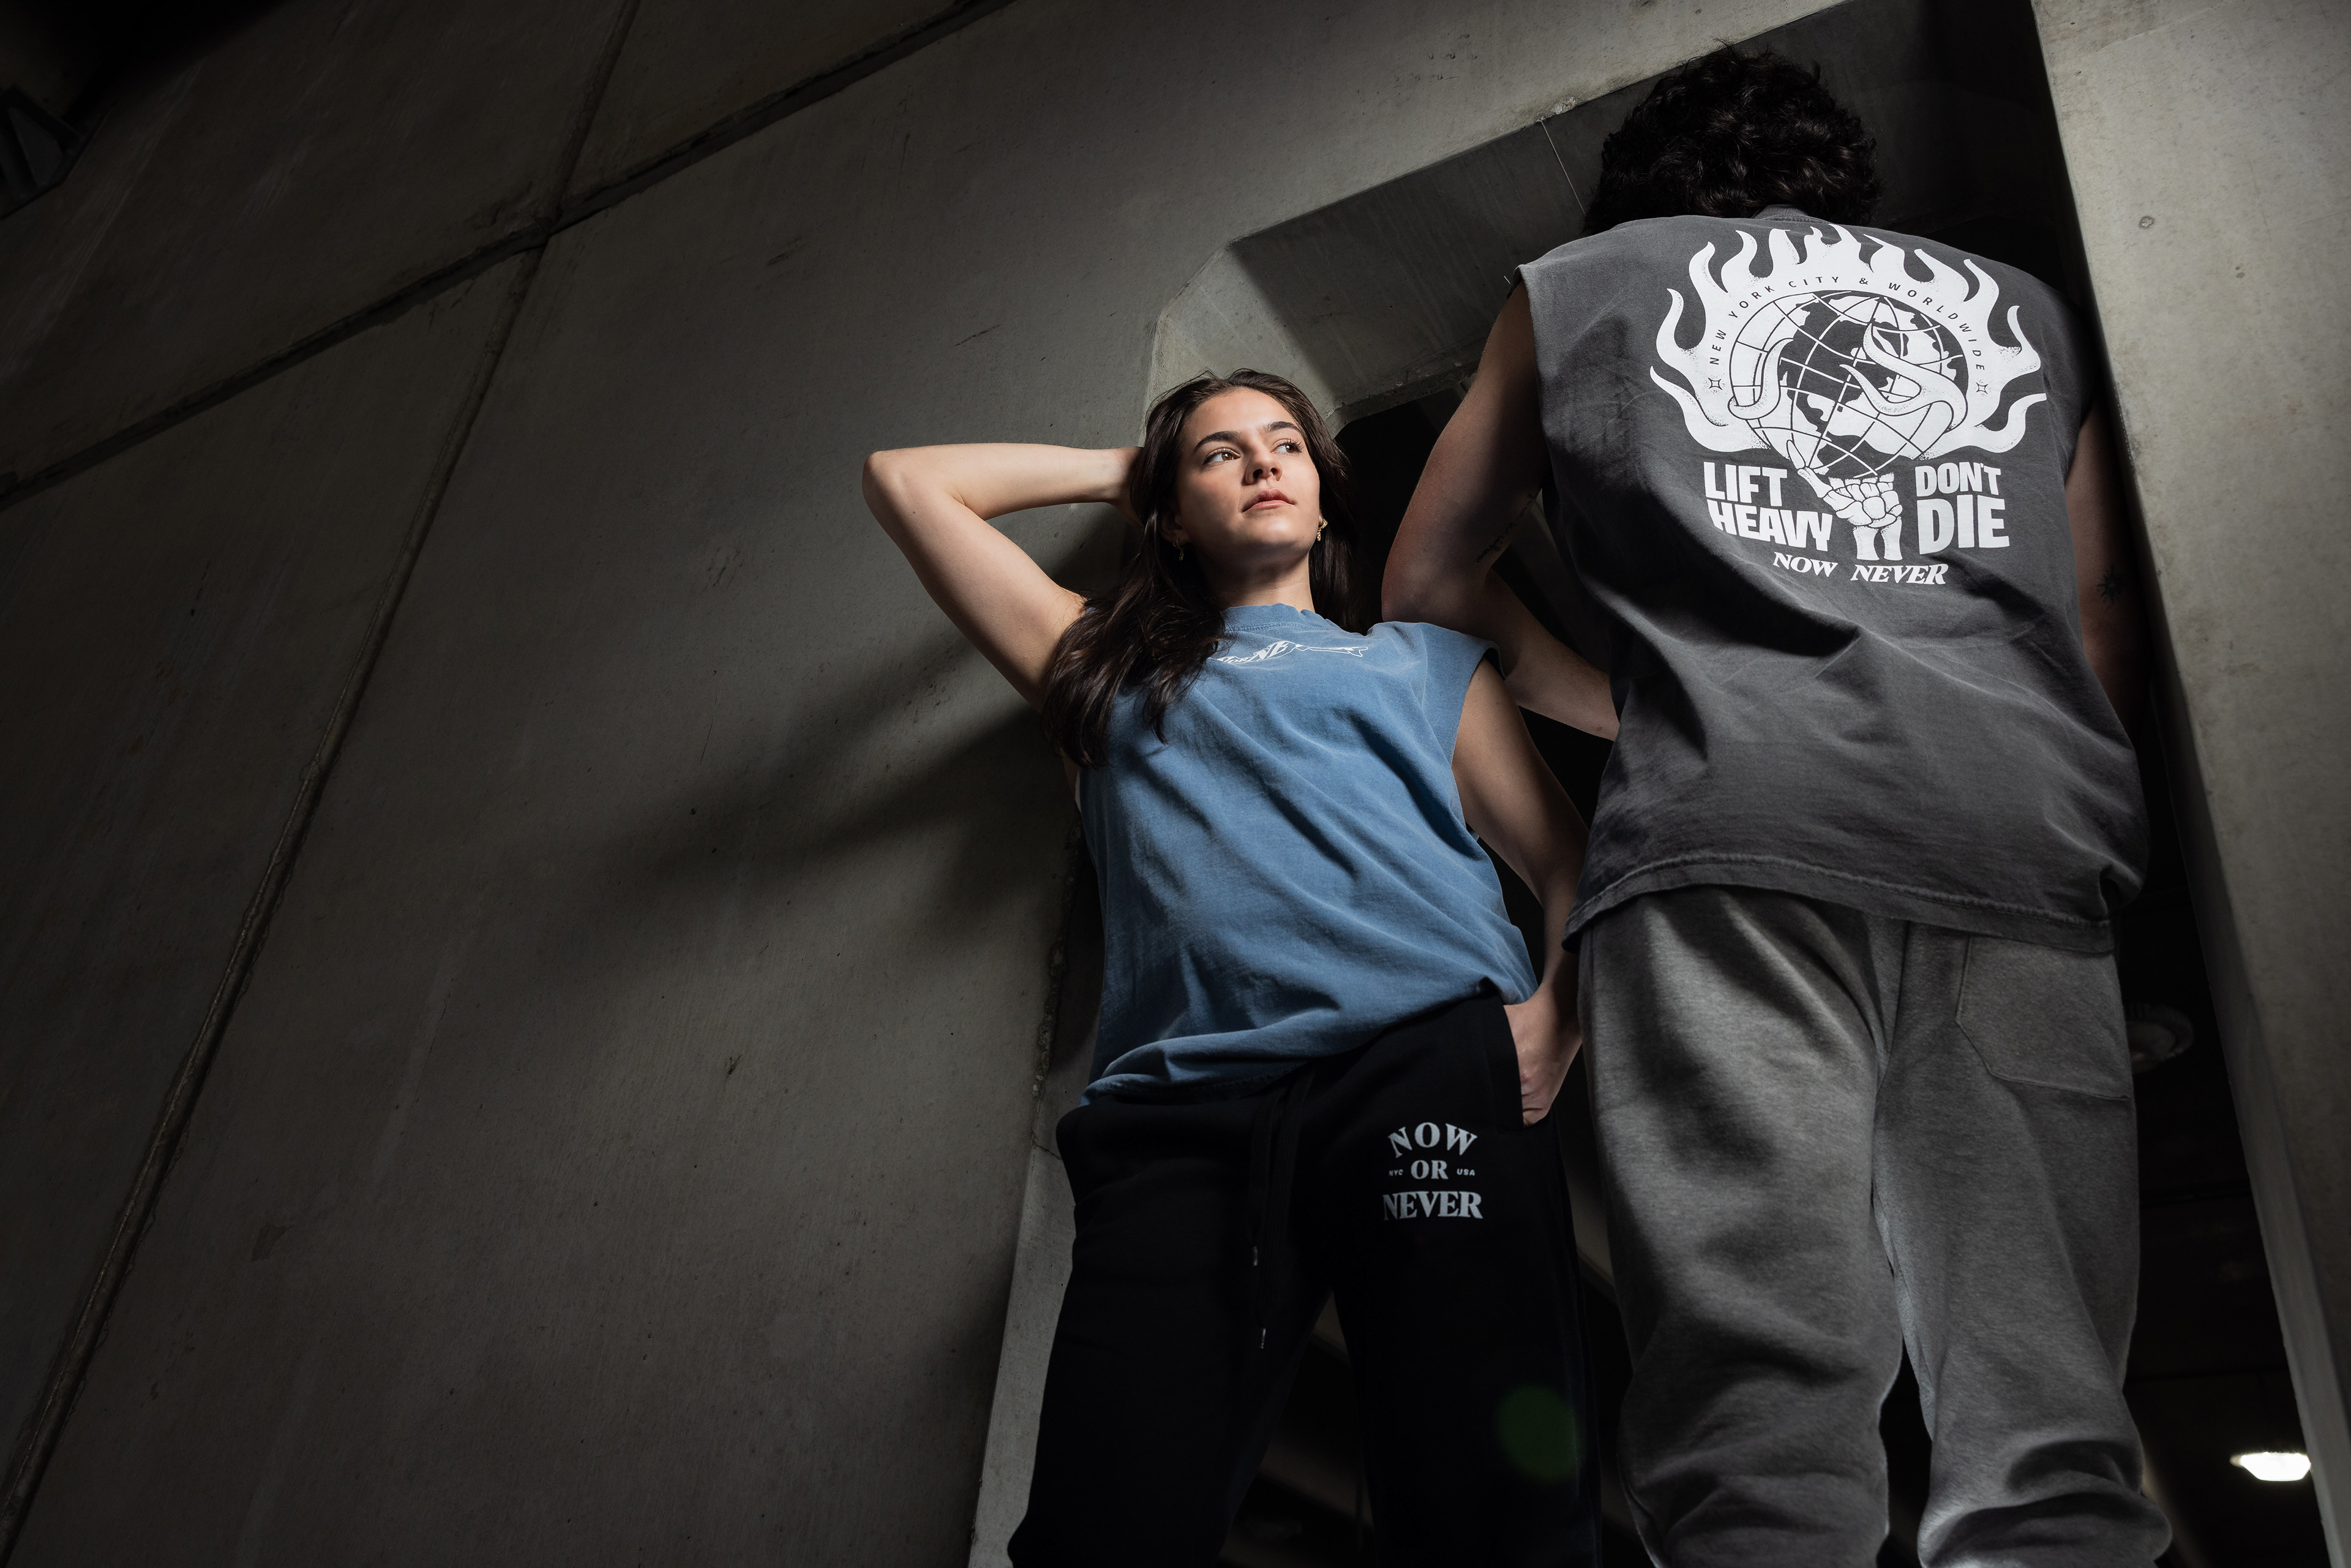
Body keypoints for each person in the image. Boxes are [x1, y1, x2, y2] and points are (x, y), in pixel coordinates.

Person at [1382, 46, 2172, 1568]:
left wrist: (1630, 705)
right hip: (2014, 840)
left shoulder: (1579, 287)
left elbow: (1423, 584)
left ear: (1642, 196)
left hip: (1721, 843)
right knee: (2049, 1421)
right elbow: (2100, 617)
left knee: (1757, 1417)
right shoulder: (2029, 312)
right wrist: (2052, 807)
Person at [863, 369, 1602, 1565]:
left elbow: (1568, 861)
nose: (1264, 462)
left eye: (1287, 445)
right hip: (1180, 1117)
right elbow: (908, 484)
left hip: (1421, 1068)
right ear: (1169, 513)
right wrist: (1132, 469)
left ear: (1324, 494)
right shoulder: (1096, 663)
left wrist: (1557, 1019)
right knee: (1105, 1528)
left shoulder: (1424, 664)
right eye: (1221, 453)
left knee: (1494, 1510)